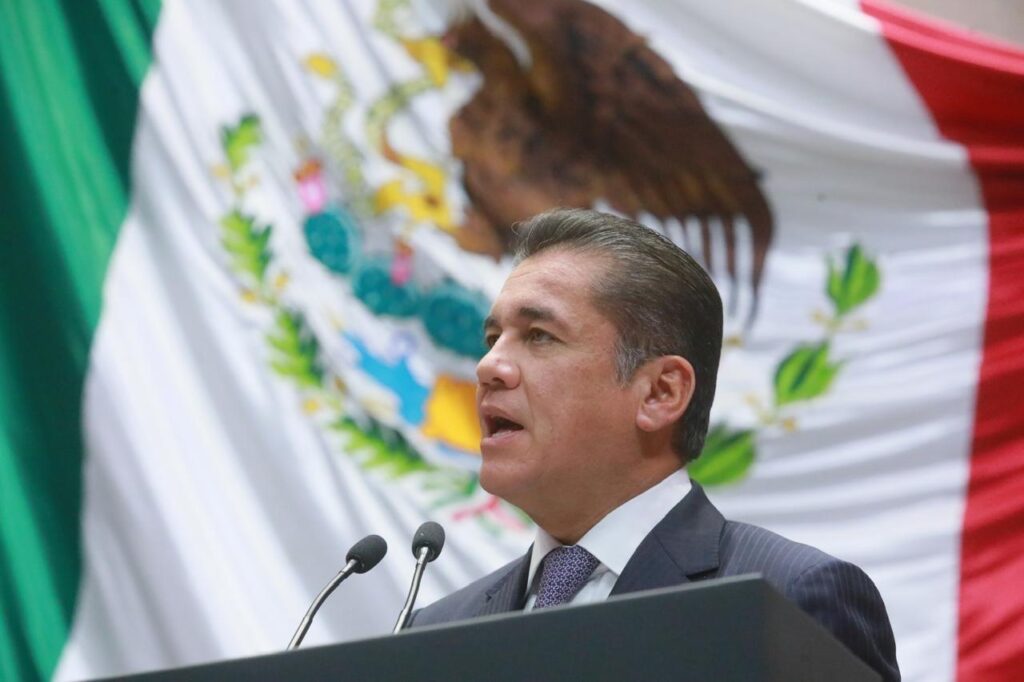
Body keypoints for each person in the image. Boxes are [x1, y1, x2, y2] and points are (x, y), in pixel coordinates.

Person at [410, 208, 899, 681]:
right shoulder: (433, 633)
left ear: (661, 393)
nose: (488, 367)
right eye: (493, 338)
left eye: (539, 336)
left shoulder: (789, 599)